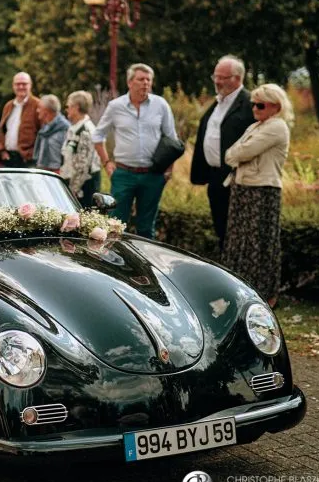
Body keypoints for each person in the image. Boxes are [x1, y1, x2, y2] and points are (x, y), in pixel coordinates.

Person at [222, 84, 292, 308]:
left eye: (260, 104)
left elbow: (242, 152)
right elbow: (229, 155)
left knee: (260, 243)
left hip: (262, 191)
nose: (255, 108)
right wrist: (238, 154)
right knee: (238, 240)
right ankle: (240, 289)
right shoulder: (255, 126)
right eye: (253, 103)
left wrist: (238, 154)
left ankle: (265, 294)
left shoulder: (277, 127)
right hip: (243, 188)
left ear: (275, 106)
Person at [92, 64, 178, 239]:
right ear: (130, 82)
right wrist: (107, 163)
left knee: (146, 229)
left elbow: (172, 140)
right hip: (123, 174)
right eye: (141, 79)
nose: (145, 83)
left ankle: (145, 266)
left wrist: (169, 170)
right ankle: (114, 263)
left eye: (148, 80)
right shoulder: (116, 106)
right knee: (115, 225)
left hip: (153, 175)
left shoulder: (160, 105)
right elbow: (97, 135)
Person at [190, 55, 255, 250]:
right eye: (215, 76)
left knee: (237, 233)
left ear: (237, 78)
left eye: (222, 77)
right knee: (221, 230)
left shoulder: (250, 103)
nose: (217, 81)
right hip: (216, 177)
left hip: (237, 178)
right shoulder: (218, 103)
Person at [60, 91, 101, 208]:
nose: (66, 109)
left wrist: (73, 189)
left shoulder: (86, 131)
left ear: (75, 107)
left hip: (84, 189)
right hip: (74, 185)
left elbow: (83, 166)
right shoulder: (74, 128)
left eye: (67, 106)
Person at [0, 72, 42, 167]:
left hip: (28, 160)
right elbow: (2, 131)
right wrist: (2, 151)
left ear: (30, 85)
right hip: (8, 158)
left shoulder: (37, 105)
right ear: (13, 86)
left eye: (24, 84)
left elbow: (43, 132)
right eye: (17, 84)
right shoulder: (8, 106)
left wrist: (33, 154)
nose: (21, 86)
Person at [32, 94, 70, 173]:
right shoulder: (46, 128)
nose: (37, 111)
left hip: (57, 176)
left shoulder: (65, 129)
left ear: (46, 110)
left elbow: (68, 157)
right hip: (44, 173)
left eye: (39, 108)